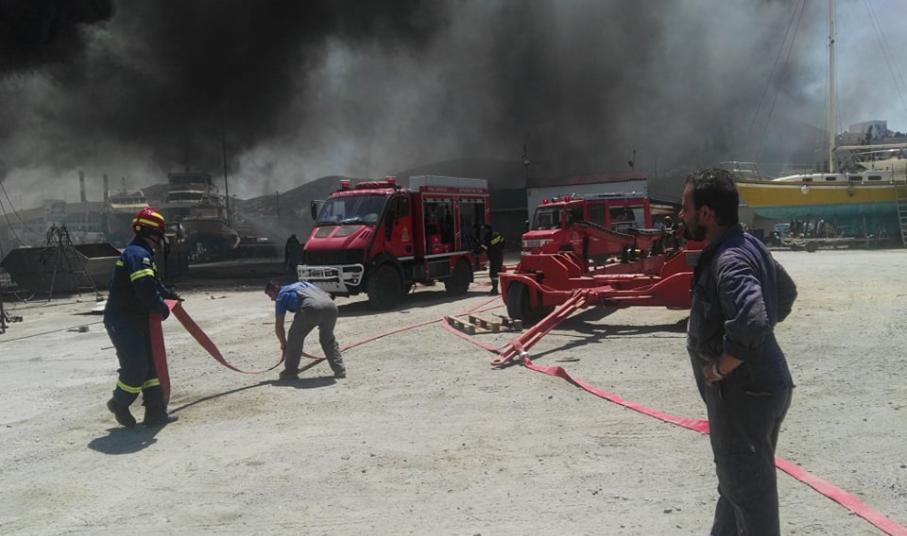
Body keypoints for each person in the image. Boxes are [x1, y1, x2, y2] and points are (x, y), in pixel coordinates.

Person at [680, 168, 797, 536]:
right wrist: (755, 348)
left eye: (686, 208)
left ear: (706, 213)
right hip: (761, 387)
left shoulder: (729, 259)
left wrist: (722, 366)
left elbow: (751, 321)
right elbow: (786, 292)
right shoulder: (747, 245)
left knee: (750, 494)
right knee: (737, 485)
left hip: (743, 395)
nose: (681, 215)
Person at [104, 207, 180, 428]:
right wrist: (161, 307)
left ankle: (155, 413)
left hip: (138, 318)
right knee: (136, 367)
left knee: (151, 366)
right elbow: (145, 287)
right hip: (123, 321)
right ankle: (119, 403)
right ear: (152, 233)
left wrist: (168, 295)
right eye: (160, 235)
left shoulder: (141, 253)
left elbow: (153, 284)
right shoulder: (138, 254)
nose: (161, 240)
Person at [265, 279, 346, 380]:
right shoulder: (303, 284)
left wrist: (284, 344)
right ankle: (340, 369)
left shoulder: (281, 296)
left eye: (271, 295)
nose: (271, 299)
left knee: (295, 337)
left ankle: (290, 372)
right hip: (331, 306)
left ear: (276, 289)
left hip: (311, 308)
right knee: (328, 338)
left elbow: (279, 325)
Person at [478, 224, 505, 295]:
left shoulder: (488, 236)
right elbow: (503, 241)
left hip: (493, 257)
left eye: (485, 230)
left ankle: (495, 289)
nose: (484, 231)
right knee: (498, 272)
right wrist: (499, 249)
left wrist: (477, 252)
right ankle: (497, 289)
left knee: (493, 274)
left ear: (487, 230)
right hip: (499, 256)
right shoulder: (497, 235)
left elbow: (485, 246)